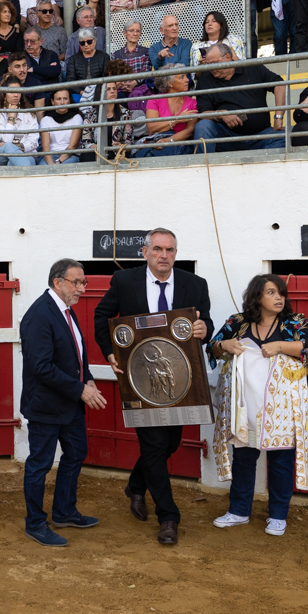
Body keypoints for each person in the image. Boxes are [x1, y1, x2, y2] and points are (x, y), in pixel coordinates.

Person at [92, 229, 212, 544]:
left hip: (179, 380)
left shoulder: (195, 284)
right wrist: (110, 353)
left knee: (170, 443)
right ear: (145, 252)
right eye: (157, 249)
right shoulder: (124, 281)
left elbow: (207, 324)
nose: (163, 255)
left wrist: (204, 328)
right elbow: (102, 317)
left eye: (169, 250)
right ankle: (168, 517)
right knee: (155, 446)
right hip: (139, 379)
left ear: (176, 253)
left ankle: (135, 485)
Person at [207, 274, 308, 537]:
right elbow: (212, 348)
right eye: (271, 292)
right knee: (244, 458)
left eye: (281, 293)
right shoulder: (238, 322)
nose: (278, 297)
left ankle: (278, 516)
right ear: (257, 296)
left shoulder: (295, 322)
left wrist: (282, 346)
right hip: (245, 405)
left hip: (284, 408)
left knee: (281, 461)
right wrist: (224, 345)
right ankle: (239, 511)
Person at [20, 258, 105, 547]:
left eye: (84, 282)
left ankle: (64, 511)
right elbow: (41, 367)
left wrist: (88, 379)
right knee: (40, 464)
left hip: (69, 403)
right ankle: (35, 523)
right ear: (57, 282)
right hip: (45, 405)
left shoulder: (66, 310)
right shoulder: (39, 315)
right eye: (76, 282)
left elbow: (76, 355)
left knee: (76, 452)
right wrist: (79, 389)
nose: (82, 288)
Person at [192, 44, 287, 151]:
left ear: (228, 57)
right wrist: (220, 114)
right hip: (226, 137)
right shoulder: (205, 79)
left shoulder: (251, 67)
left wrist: (278, 117)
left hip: (260, 135)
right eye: (208, 64)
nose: (211, 68)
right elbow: (203, 114)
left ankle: (257, 161)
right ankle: (206, 163)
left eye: (214, 63)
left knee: (282, 136)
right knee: (203, 126)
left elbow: (279, 84)